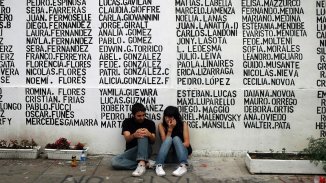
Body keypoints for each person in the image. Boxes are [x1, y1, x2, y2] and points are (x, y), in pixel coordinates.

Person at [111, 103, 156, 177]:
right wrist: (134, 135)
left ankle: (141, 164)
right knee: (114, 162)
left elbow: (153, 141)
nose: (142, 117)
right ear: (133, 115)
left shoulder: (150, 123)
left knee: (142, 134)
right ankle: (146, 164)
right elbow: (127, 139)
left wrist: (149, 134)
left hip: (146, 150)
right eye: (139, 116)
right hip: (132, 151)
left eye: (143, 115)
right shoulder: (127, 122)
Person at [155, 106, 192, 177]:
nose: (168, 119)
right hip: (168, 156)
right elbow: (164, 143)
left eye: (170, 117)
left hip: (181, 155)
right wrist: (170, 130)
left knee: (176, 139)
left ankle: (183, 165)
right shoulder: (161, 126)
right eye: (166, 117)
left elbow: (187, 144)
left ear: (175, 117)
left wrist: (177, 146)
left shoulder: (183, 124)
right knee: (168, 139)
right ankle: (158, 165)